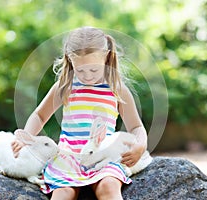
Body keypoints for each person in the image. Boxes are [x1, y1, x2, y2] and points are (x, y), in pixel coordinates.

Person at [11, 26, 148, 200]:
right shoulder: (65, 86)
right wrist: (26, 137)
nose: (88, 76)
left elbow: (136, 126)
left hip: (102, 159)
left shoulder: (117, 89)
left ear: (106, 57)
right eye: (80, 70)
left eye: (93, 70)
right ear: (70, 61)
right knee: (64, 193)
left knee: (108, 186)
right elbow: (40, 115)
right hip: (69, 158)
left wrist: (140, 145)